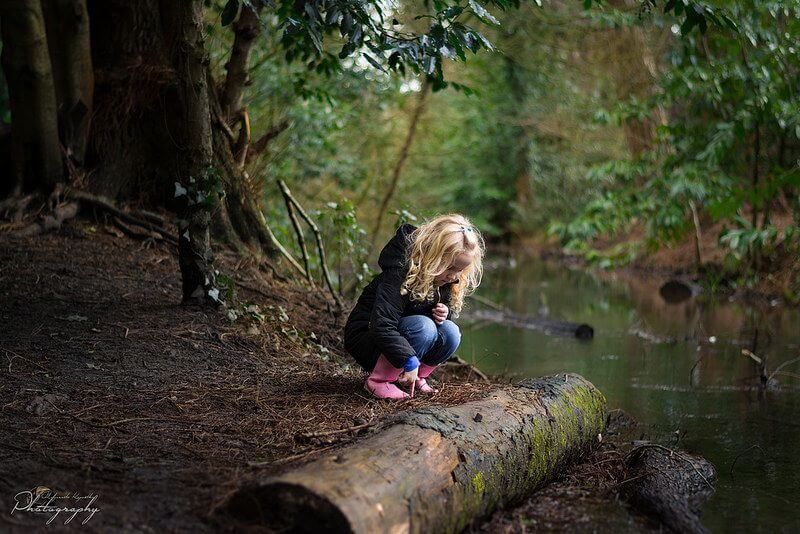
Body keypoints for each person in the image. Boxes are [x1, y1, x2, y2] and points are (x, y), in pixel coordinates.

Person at [344, 213, 485, 399]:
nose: (455, 276)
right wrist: (410, 361)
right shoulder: (398, 273)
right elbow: (382, 325)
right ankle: (379, 380)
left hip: (402, 339)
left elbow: (434, 320)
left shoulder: (443, 279)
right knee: (423, 327)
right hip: (368, 338)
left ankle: (416, 377)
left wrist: (444, 313)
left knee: (451, 332)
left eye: (460, 270)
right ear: (434, 258)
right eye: (451, 268)